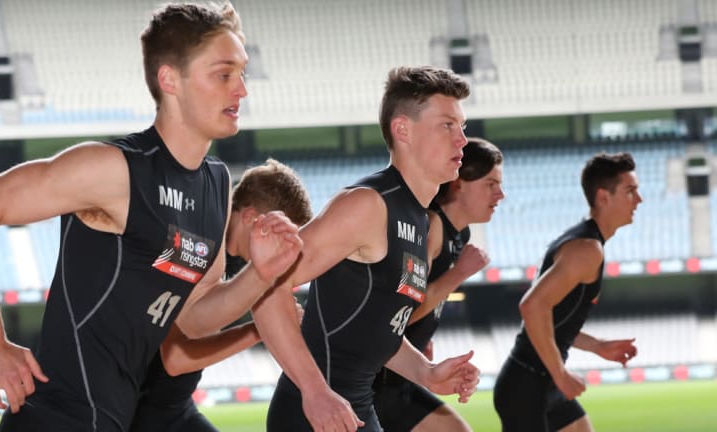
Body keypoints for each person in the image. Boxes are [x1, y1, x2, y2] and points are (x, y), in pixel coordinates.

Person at [0, 3, 302, 432]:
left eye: (242, 73)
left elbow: (193, 318)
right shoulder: (114, 169)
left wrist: (260, 275)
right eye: (223, 74)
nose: (242, 89)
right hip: (56, 417)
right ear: (170, 79)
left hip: (116, 419)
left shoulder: (216, 185)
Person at [252, 66, 481, 432]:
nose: (462, 141)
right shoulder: (367, 205)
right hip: (314, 415)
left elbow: (378, 328)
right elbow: (262, 285)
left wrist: (427, 372)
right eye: (447, 125)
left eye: (463, 127)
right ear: (402, 129)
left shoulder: (418, 219)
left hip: (354, 407)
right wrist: (314, 391)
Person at [129, 159, 313, 432]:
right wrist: (258, 331)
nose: (281, 249)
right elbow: (175, 359)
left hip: (174, 409)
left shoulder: (228, 255)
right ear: (250, 217)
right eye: (279, 235)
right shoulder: (193, 246)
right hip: (142, 415)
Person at [493, 152, 641, 432]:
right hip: (527, 386)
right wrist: (560, 374)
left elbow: (552, 319)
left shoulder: (585, 242)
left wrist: (598, 346)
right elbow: (532, 307)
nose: (639, 200)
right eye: (630, 191)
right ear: (603, 197)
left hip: (540, 382)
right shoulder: (586, 249)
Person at [373, 137, 504, 432]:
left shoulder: (460, 235)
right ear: (458, 183)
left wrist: (422, 338)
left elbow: (419, 308)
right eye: (491, 184)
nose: (501, 195)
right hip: (379, 383)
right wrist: (459, 274)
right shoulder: (429, 226)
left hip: (403, 379)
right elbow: (400, 314)